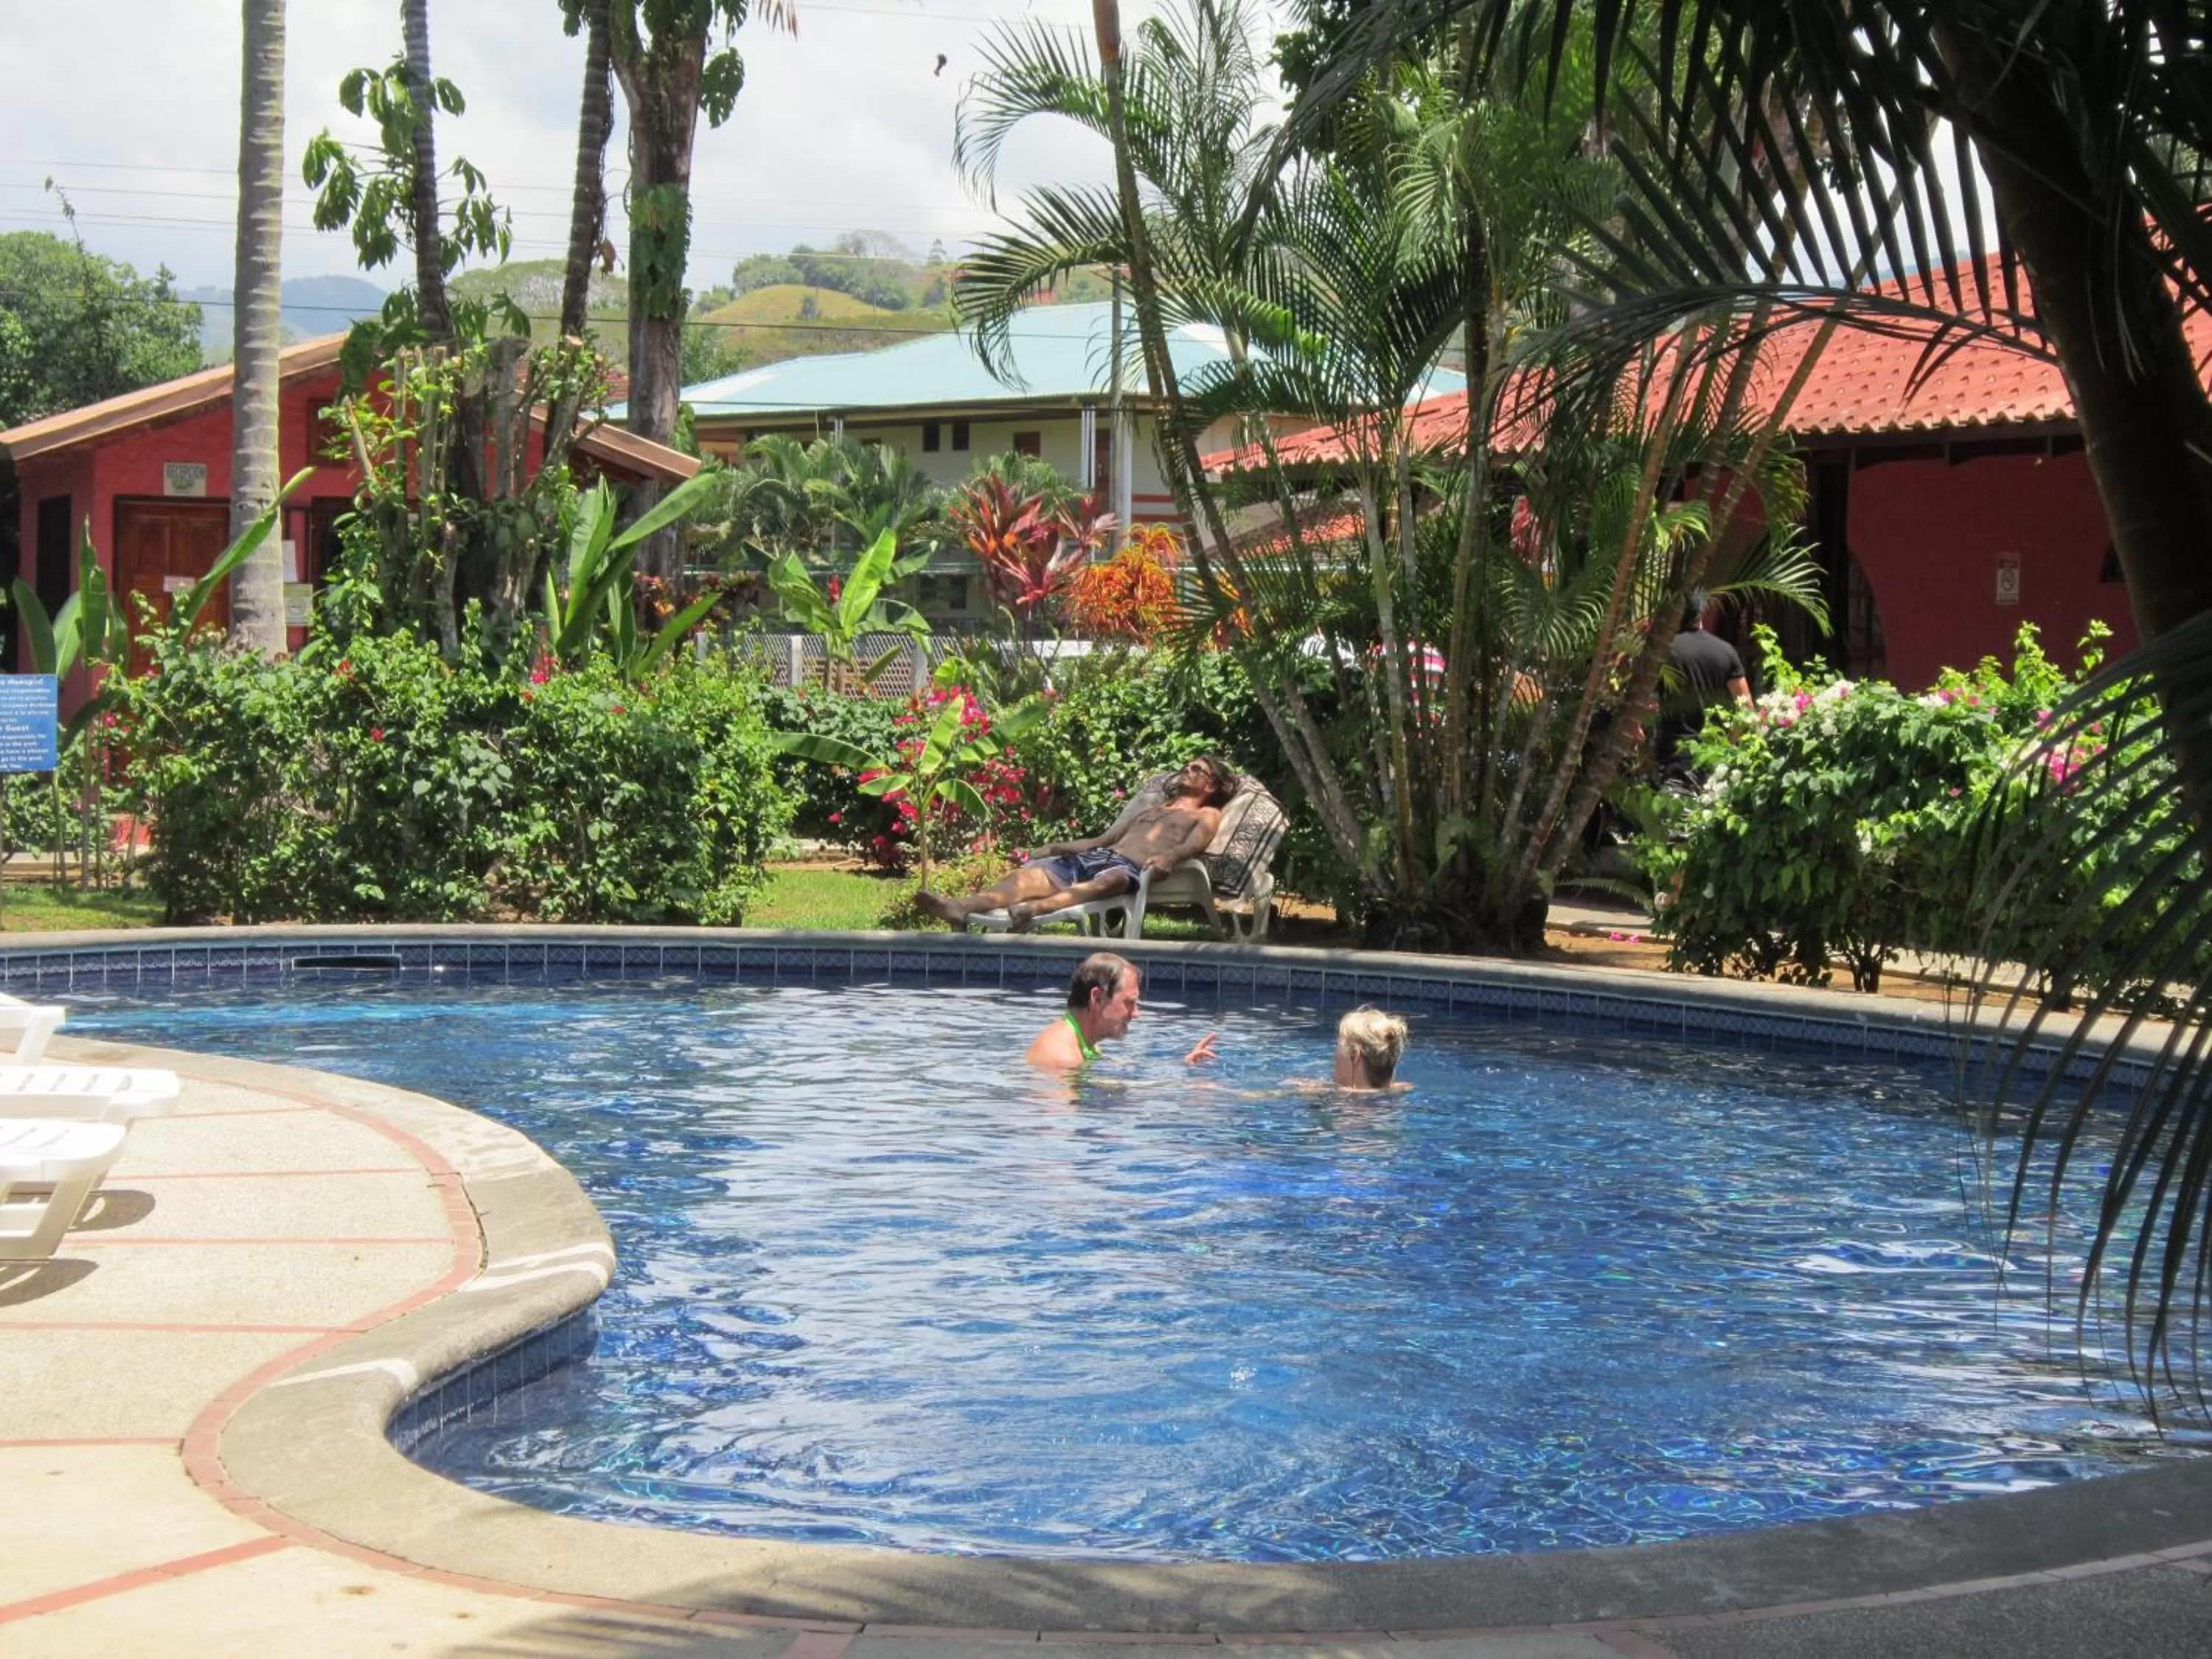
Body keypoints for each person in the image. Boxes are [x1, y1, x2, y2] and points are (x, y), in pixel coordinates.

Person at [919, 755, 1237, 931]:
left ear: (1211, 785)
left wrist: (1169, 857)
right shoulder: (1154, 810)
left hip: (1127, 870)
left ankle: (1033, 910)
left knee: (1113, 879)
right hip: (1098, 856)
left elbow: (1194, 845)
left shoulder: (1207, 814)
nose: (1187, 770)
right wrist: (1057, 847)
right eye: (1187, 766)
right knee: (1025, 877)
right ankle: (959, 907)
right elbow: (1103, 839)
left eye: (1197, 770)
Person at [1657, 594, 1753, 785]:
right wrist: (1727, 747)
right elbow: (1747, 711)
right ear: (1702, 614)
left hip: (1674, 762)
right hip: (1714, 763)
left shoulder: (1663, 652)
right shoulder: (1726, 651)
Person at [1027, 951, 1141, 1071]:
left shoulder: (1087, 1043)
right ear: (1097, 999)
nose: (1136, 1013)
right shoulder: (1062, 1059)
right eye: (1129, 1003)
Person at [1332, 1006, 1411, 1091]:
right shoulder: (1402, 1090)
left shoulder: (1340, 1100)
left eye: (1339, 1045)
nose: (1335, 1056)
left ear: (1356, 1055)